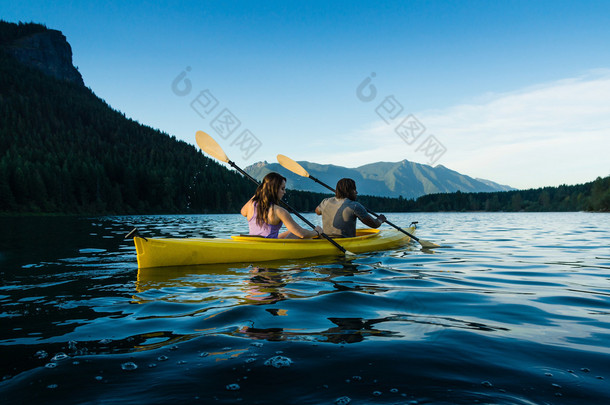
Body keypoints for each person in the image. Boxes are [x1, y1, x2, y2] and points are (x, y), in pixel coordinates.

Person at [241, 172, 323, 239]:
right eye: (282, 189)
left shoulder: (251, 205)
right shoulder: (279, 211)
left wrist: (260, 192)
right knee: (301, 234)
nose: (284, 192)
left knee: (291, 232)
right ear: (274, 190)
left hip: (254, 242)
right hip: (269, 247)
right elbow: (301, 234)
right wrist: (316, 232)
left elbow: (243, 212)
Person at [315, 178, 386, 237]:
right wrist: (380, 220)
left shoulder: (325, 201)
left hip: (326, 240)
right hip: (345, 242)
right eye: (354, 190)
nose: (357, 192)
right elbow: (374, 224)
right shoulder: (355, 206)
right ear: (349, 191)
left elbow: (317, 211)